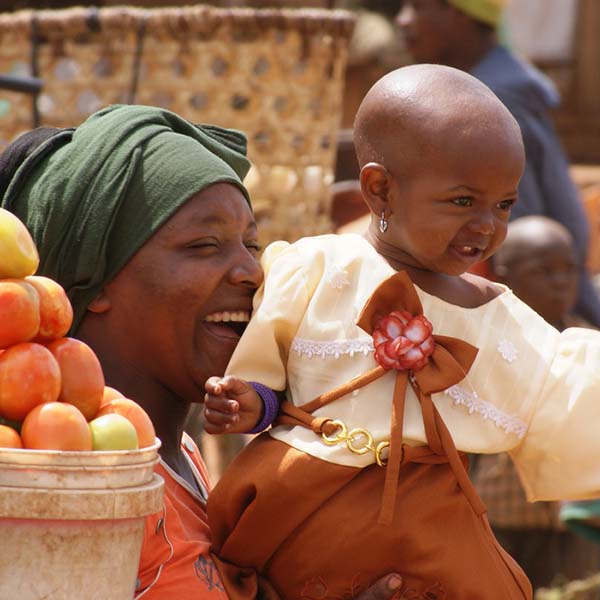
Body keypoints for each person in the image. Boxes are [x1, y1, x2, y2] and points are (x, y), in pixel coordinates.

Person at [203, 64, 600, 600]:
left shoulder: (500, 320)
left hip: (426, 528)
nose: (487, 224)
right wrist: (252, 403)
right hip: (296, 503)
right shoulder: (320, 267)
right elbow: (270, 378)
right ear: (380, 189)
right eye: (463, 201)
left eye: (503, 204)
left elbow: (570, 395)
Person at [0, 105, 404, 600]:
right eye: (204, 245)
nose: (250, 273)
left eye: (250, 246)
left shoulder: (181, 457)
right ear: (97, 280)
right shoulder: (68, 478)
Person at [395, 0, 600, 328]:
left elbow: (524, 237)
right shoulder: (487, 89)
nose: (403, 20)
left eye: (418, 6)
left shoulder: (488, 105)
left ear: (460, 14)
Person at [470, 215, 600, 590]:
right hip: (500, 514)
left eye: (569, 270)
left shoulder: (588, 343)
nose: (560, 281)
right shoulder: (488, 343)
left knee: (576, 590)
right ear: (505, 276)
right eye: (544, 271)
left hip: (575, 514)